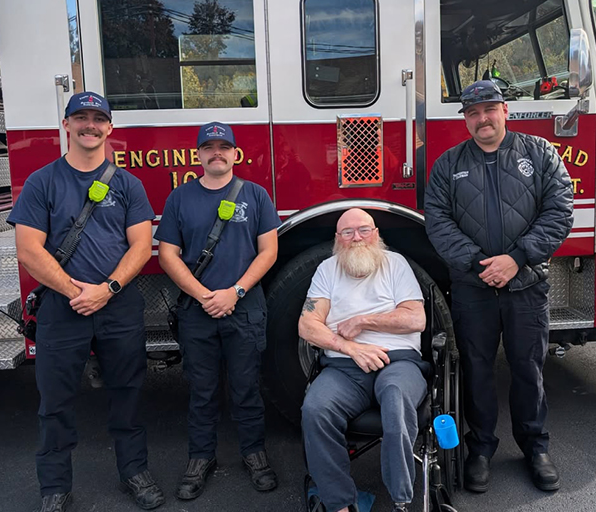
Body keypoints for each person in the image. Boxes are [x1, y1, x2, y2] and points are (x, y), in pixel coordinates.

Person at [8, 91, 164, 512]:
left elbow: (140, 245)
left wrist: (107, 289)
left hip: (118, 306)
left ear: (110, 128)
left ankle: (134, 472)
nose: (90, 125)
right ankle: (54, 489)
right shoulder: (43, 181)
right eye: (81, 117)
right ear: (66, 126)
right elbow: (28, 249)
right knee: (54, 401)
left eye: (98, 118)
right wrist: (76, 292)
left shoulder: (128, 183)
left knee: (127, 393)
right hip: (63, 308)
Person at [424, 80, 574, 493]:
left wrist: (517, 258)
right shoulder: (448, 164)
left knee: (528, 367)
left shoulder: (540, 153)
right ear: (466, 120)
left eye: (489, 109)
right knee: (477, 370)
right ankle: (481, 448)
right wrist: (478, 263)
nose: (482, 119)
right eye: (472, 113)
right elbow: (437, 221)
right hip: (473, 288)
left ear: (505, 111)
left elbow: (560, 210)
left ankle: (535, 447)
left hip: (527, 284)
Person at [155, 121, 280, 500]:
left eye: (223, 146)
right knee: (202, 390)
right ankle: (200, 458)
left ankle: (254, 453)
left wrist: (235, 292)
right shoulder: (180, 198)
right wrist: (205, 295)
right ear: (198, 156)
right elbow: (167, 255)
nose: (217, 152)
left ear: (235, 154)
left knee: (246, 387)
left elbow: (269, 251)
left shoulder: (256, 195)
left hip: (244, 309)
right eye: (208, 147)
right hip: (197, 311)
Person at [299, 208, 428, 512]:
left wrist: (363, 322)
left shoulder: (395, 265)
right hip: (344, 368)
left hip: (398, 362)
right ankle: (340, 504)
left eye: (363, 230)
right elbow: (307, 325)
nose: (356, 237)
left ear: (376, 233)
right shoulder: (327, 270)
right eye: (347, 232)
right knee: (315, 409)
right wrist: (351, 348)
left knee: (396, 398)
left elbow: (416, 318)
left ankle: (400, 499)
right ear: (337, 239)